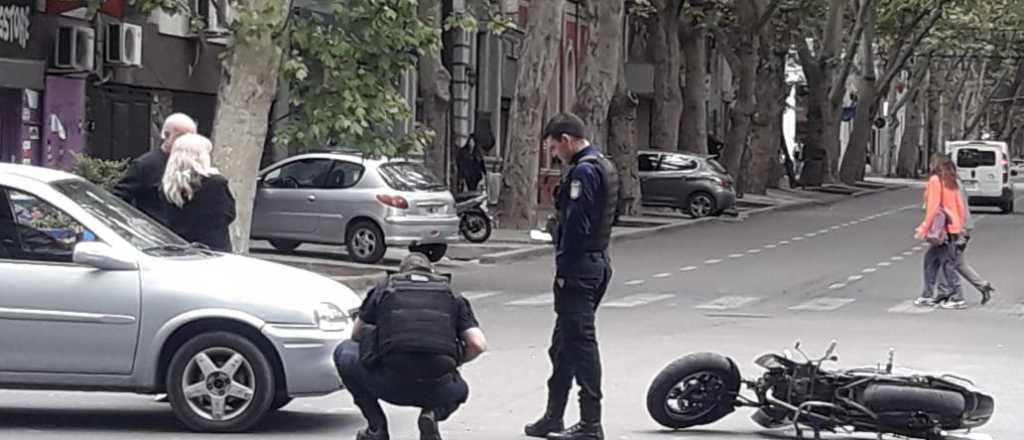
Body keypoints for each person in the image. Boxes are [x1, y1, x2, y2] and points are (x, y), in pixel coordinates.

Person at [525, 113, 619, 440]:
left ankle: (591, 423)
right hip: (597, 262)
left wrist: (563, 267)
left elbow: (577, 227)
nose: (553, 154)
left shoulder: (582, 172)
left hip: (579, 268)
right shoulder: (604, 165)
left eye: (553, 147)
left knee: (580, 345)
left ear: (566, 140)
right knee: (562, 346)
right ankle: (553, 417)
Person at [334, 253, 488, 440]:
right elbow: (477, 344)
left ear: (401, 272)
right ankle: (432, 414)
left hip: (387, 383)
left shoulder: (384, 289)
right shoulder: (452, 295)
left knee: (344, 352)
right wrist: (455, 362)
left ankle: (377, 428)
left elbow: (356, 335)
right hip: (438, 388)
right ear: (432, 271)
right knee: (460, 389)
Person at [112, 113, 198, 225]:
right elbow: (119, 198)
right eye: (181, 137)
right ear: (166, 135)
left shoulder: (194, 165)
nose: (187, 143)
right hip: (154, 234)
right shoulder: (145, 164)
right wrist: (132, 221)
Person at [160, 133, 236, 252]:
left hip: (178, 246)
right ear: (200, 156)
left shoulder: (168, 186)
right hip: (212, 248)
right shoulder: (215, 183)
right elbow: (229, 214)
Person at [914, 153, 968, 309]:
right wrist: (960, 226)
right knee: (932, 261)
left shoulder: (935, 181)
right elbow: (960, 206)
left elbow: (933, 207)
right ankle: (928, 295)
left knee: (947, 264)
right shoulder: (951, 181)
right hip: (952, 228)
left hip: (942, 230)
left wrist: (924, 228)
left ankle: (957, 297)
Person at [954, 173, 996, 305]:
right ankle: (982, 285)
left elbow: (958, 210)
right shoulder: (957, 184)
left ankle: (952, 294)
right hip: (963, 227)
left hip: (960, 229)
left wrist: (960, 231)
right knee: (958, 263)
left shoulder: (953, 186)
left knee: (947, 263)